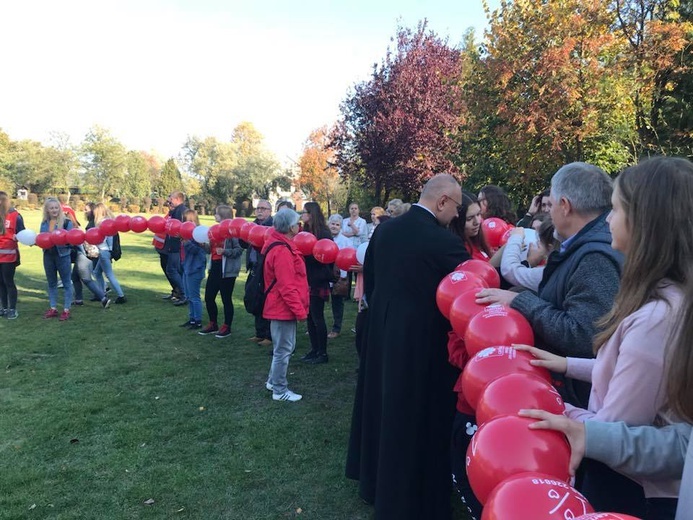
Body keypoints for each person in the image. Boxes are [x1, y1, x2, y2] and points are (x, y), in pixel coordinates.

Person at [513, 156, 693, 517]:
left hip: (634, 490)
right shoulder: (669, 296)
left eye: (615, 210)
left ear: (645, 223)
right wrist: (567, 364)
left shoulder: (657, 317)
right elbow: (632, 370)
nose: (607, 219)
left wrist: (553, 410)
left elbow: (615, 430)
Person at [346, 174, 470, 520]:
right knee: (414, 419)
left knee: (382, 409)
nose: (457, 216)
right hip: (421, 347)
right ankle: (409, 494)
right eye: (457, 208)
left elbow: (369, 277)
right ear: (443, 201)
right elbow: (476, 282)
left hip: (383, 335)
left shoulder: (386, 229)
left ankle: (374, 482)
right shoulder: (438, 239)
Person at [476, 162, 624, 408]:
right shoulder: (587, 247)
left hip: (582, 401)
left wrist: (519, 301)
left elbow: (583, 335)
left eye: (552, 204)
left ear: (565, 206)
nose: (550, 212)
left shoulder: (594, 258)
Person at [262, 208, 309, 402]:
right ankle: (279, 390)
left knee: (282, 348)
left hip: (280, 306)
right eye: (297, 223)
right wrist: (300, 312)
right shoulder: (281, 250)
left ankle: (273, 381)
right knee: (283, 350)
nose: (300, 225)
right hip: (282, 308)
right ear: (290, 227)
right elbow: (287, 286)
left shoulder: (280, 244)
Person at [199, 205, 242, 338]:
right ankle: (213, 323)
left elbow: (239, 250)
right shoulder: (214, 230)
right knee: (209, 296)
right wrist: (204, 246)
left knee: (226, 298)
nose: (214, 216)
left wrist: (225, 252)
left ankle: (227, 326)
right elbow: (210, 250)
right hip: (215, 267)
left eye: (216, 214)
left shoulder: (232, 231)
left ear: (223, 215)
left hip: (227, 270)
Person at [300, 202, 333, 364]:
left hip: (318, 279)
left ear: (311, 214)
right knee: (309, 317)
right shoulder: (305, 231)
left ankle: (323, 353)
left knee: (317, 316)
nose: (302, 215)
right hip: (307, 278)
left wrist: (308, 256)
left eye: (304, 212)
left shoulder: (323, 233)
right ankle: (314, 349)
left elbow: (327, 256)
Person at [244, 199, 274, 347]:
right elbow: (243, 243)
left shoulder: (273, 226)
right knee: (254, 299)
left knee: (266, 301)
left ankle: (269, 335)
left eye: (264, 208)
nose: (260, 211)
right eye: (258, 208)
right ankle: (259, 333)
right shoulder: (252, 225)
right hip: (254, 267)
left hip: (267, 269)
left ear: (270, 211)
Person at [71, 203, 111, 309]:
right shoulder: (92, 222)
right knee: (74, 276)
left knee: (86, 278)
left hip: (85, 252)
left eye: (87, 210)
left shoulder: (95, 223)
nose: (85, 212)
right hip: (83, 251)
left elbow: (90, 238)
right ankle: (78, 300)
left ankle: (103, 298)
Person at [40, 197, 74, 320]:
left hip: (63, 256)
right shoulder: (44, 223)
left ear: (59, 209)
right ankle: (53, 308)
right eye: (51, 208)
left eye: (56, 207)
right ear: (47, 210)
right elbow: (41, 238)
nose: (54, 210)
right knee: (51, 283)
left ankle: (66, 309)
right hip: (48, 255)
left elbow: (72, 240)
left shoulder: (66, 222)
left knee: (66, 283)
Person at [92, 203, 127, 304]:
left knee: (109, 274)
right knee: (96, 272)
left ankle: (121, 296)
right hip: (105, 252)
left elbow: (109, 237)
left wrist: (110, 251)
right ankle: (102, 292)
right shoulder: (108, 221)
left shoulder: (104, 223)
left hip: (104, 252)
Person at [180, 209, 206, 329]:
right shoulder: (186, 233)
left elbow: (199, 252)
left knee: (194, 296)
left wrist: (186, 243)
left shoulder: (198, 234)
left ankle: (198, 320)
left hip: (195, 269)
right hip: (187, 267)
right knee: (188, 295)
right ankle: (192, 319)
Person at [0, 191, 25, 319]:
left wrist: (18, 237)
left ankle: (12, 309)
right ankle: (3, 307)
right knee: (1, 282)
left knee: (8, 281)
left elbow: (22, 233)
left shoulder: (15, 216)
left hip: (9, 255)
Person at [450, 191, 492, 261]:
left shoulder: (478, 241)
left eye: (478, 214)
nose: (477, 222)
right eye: (469, 219)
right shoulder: (459, 250)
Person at [327, 214, 351, 339]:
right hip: (324, 275)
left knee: (337, 303)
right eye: (333, 224)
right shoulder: (324, 238)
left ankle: (336, 328)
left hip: (338, 276)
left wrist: (343, 276)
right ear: (328, 224)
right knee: (318, 301)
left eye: (337, 225)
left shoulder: (346, 241)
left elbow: (348, 258)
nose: (334, 227)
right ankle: (315, 326)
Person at [165, 191, 188, 305]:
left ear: (178, 199)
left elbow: (178, 228)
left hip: (176, 246)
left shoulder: (181, 211)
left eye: (171, 198)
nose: (169, 200)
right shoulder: (178, 210)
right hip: (175, 245)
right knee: (176, 270)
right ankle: (180, 293)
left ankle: (184, 294)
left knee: (172, 270)